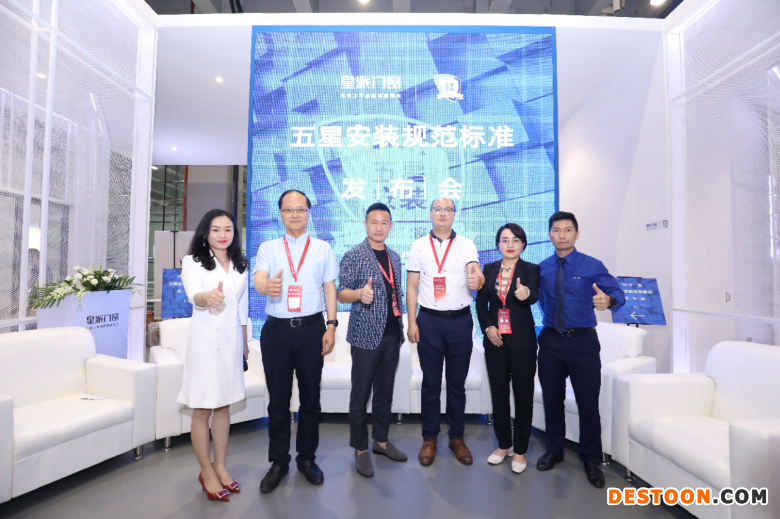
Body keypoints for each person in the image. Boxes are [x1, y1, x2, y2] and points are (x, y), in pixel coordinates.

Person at [252, 190, 338, 493]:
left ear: (309, 213)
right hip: (276, 331)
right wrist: (267, 286)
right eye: (288, 210)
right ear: (280, 214)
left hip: (312, 329)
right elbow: (259, 280)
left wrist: (331, 326)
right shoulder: (268, 247)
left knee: (311, 398)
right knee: (278, 399)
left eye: (300, 209)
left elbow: (330, 288)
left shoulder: (322, 248)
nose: (295, 215)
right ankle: (278, 462)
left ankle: (307, 458)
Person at [535, 211, 625, 489]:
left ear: (577, 234)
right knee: (552, 400)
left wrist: (609, 301)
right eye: (556, 230)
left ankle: (591, 459)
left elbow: (618, 293)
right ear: (549, 234)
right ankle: (554, 450)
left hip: (583, 343)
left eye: (567, 230)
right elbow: (542, 301)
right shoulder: (543, 268)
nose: (562, 235)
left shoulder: (592, 265)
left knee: (588, 402)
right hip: (550, 341)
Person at [406, 197, 485, 467]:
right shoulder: (418, 245)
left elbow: (476, 274)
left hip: (460, 322)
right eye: (437, 209)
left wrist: (478, 280)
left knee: (456, 383)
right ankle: (429, 438)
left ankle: (456, 437)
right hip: (429, 321)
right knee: (430, 383)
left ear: (454, 214)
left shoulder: (466, 244)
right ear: (430, 214)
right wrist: (412, 322)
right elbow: (412, 287)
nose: (442, 213)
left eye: (447, 209)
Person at [179, 209, 249, 502]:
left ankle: (220, 466)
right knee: (202, 407)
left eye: (228, 229)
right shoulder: (193, 261)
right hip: (206, 343)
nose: (222, 235)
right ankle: (206, 471)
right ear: (205, 232)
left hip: (231, 342)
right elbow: (194, 295)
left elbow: (242, 307)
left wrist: (244, 342)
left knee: (223, 406)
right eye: (216, 229)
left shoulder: (240, 264)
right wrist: (207, 297)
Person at [337, 202, 408, 478]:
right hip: (365, 335)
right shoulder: (354, 255)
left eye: (384, 222)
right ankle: (360, 448)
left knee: (385, 392)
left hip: (391, 335)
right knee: (360, 394)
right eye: (374, 222)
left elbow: (396, 295)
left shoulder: (395, 257)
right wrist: (359, 295)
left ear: (391, 226)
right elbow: (340, 292)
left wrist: (400, 330)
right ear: (365, 224)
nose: (379, 227)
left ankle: (381, 441)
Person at [475, 223, 540, 475]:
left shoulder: (531, 269)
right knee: (499, 394)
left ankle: (520, 450)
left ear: (523, 244)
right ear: (498, 244)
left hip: (523, 342)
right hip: (495, 341)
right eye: (504, 240)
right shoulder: (488, 270)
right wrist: (488, 327)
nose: (510, 244)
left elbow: (533, 295)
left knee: (523, 396)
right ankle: (504, 444)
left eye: (515, 240)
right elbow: (481, 304)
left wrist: (525, 292)